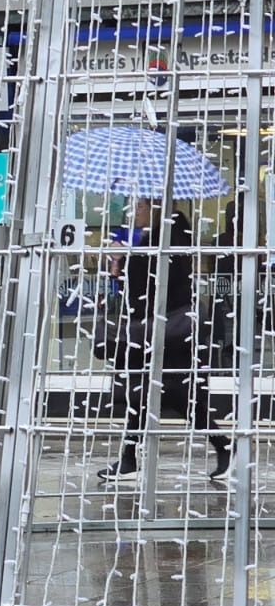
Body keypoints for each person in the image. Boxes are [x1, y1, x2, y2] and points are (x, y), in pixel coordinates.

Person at [99, 199, 230, 482]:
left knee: (168, 396)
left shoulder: (165, 237)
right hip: (165, 331)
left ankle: (223, 446)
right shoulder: (163, 236)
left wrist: (123, 261)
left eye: (140, 206)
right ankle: (129, 459)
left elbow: (153, 285)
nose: (134, 213)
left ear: (153, 209)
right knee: (150, 396)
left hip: (167, 333)